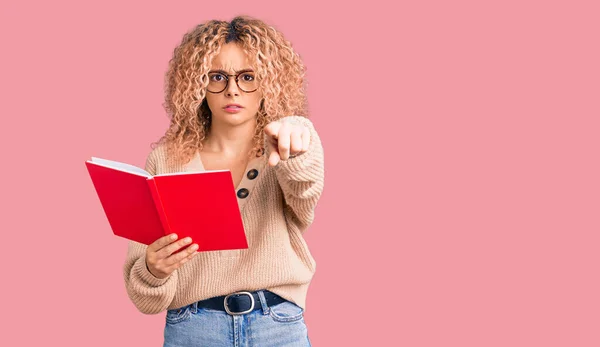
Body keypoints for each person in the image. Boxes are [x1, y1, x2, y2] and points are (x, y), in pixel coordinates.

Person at [122, 15, 324, 346]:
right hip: (193, 328)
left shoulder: (292, 141)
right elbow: (146, 299)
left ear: (269, 82)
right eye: (217, 76)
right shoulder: (165, 160)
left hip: (277, 326)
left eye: (248, 77)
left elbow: (305, 196)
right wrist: (153, 269)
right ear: (198, 84)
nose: (232, 89)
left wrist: (297, 142)